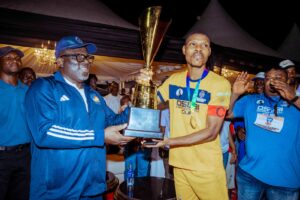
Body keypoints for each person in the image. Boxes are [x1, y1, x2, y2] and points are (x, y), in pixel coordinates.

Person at [24, 36, 134, 200]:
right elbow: (44, 133)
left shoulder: (94, 95)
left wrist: (132, 109)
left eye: (88, 57)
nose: (86, 61)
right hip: (58, 190)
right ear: (60, 62)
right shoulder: (43, 87)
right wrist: (100, 136)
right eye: (78, 56)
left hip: (92, 187)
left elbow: (112, 122)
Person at [148, 32, 231, 199]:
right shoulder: (173, 80)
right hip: (179, 164)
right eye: (193, 44)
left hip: (206, 167)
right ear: (184, 50)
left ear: (209, 52)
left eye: (204, 45)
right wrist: (143, 84)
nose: (199, 48)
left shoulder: (220, 84)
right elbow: (150, 102)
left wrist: (169, 142)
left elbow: (211, 132)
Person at [227, 67, 300, 200]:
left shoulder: (296, 103)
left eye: (278, 78)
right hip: (249, 175)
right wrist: (235, 94)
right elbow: (228, 114)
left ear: (288, 80)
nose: (272, 82)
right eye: (268, 78)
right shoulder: (251, 100)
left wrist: (294, 98)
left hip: (285, 181)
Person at [0, 46, 31, 200]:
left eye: (17, 58)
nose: (15, 60)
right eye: (9, 58)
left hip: (26, 155)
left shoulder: (28, 91)